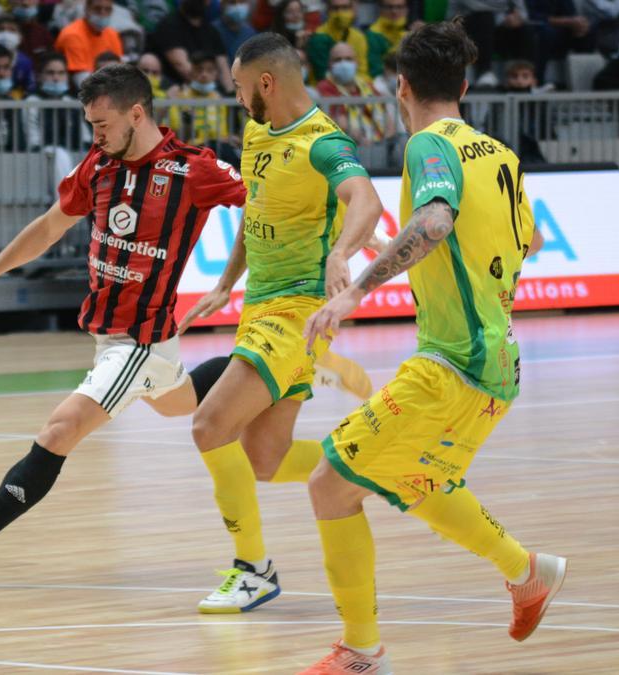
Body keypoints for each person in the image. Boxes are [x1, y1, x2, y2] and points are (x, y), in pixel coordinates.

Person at [297, 21, 558, 673]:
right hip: (499, 363)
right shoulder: (501, 155)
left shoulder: (426, 146)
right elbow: (532, 243)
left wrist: (354, 291)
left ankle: (361, 651)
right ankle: (526, 571)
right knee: (417, 481)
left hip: (451, 361)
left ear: (401, 87)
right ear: (465, 86)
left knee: (331, 483)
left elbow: (436, 220)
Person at [0, 63, 252, 576]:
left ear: (136, 113)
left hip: (138, 341)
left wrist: (236, 277)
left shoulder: (193, 169)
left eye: (102, 124)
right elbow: (52, 224)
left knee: (60, 428)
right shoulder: (100, 164)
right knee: (176, 401)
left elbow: (268, 203)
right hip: (118, 341)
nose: (95, 135)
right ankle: (257, 369)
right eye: (91, 126)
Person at [183, 32, 381, 613]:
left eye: (242, 88)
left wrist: (342, 252)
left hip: (298, 311)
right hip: (258, 306)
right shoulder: (256, 132)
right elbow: (256, 209)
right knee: (263, 459)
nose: (239, 99)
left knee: (207, 425)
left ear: (266, 83)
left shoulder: (323, 143)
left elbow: (365, 201)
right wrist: (225, 281)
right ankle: (376, 458)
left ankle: (254, 571)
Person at [315, 41, 393, 148]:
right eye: (338, 60)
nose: (343, 64)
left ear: (356, 62)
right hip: (352, 147)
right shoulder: (325, 87)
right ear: (329, 64)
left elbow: (387, 117)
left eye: (348, 59)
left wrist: (387, 141)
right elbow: (339, 120)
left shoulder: (367, 86)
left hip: (380, 145)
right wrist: (364, 141)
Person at [147, 0, 234, 92]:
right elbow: (181, 65)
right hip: (176, 94)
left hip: (209, 95)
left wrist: (231, 95)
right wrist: (208, 90)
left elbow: (223, 68)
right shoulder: (169, 26)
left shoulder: (211, 31)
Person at [24, 51, 91, 152]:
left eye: (61, 73)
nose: (56, 78)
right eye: (50, 73)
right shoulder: (31, 102)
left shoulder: (71, 102)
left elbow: (85, 138)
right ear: (38, 76)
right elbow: (33, 142)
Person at [54, 0, 122, 87]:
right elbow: (81, 80)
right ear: (86, 9)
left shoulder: (113, 34)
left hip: (108, 87)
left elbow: (119, 71)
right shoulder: (72, 34)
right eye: (97, 8)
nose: (102, 13)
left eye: (107, 9)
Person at [0, 13, 36, 93]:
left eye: (12, 30)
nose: (6, 34)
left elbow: (30, 87)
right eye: (1, 29)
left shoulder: (26, 62)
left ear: (20, 37)